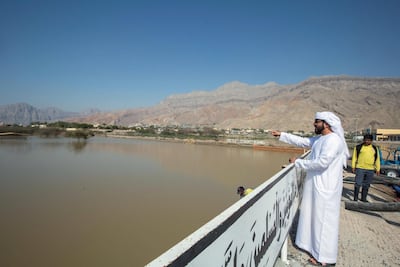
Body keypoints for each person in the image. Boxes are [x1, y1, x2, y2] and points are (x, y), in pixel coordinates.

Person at [271, 111, 349, 267]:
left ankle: (325, 259)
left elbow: (322, 163)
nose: (314, 124)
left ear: (326, 124)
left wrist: (297, 162)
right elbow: (303, 141)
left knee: (325, 223)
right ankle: (315, 251)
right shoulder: (321, 139)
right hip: (317, 185)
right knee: (315, 219)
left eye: (317, 121)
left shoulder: (333, 141)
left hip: (326, 188)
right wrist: (281, 135)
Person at [351, 134, 380, 202]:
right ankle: (355, 198)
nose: (367, 141)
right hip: (360, 168)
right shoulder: (358, 147)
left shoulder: (375, 148)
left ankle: (363, 198)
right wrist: (353, 166)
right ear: (363, 140)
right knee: (358, 184)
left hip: (370, 169)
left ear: (371, 141)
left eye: (368, 140)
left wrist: (378, 169)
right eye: (365, 140)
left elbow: (377, 159)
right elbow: (354, 157)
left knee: (366, 185)